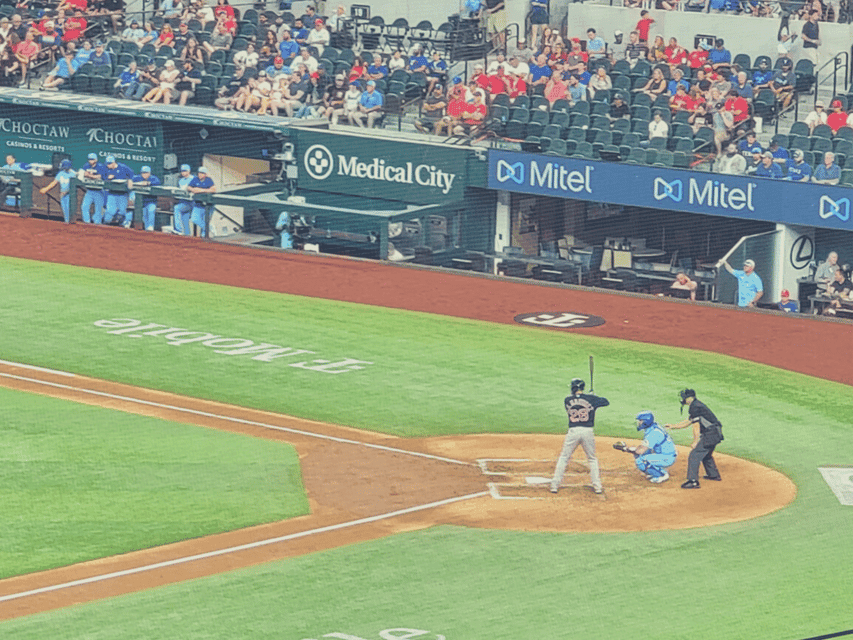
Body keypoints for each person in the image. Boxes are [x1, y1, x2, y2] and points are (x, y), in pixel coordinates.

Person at [550, 378, 608, 495]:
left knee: (564, 457)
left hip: (573, 431)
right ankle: (597, 487)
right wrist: (594, 397)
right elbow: (606, 402)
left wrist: (590, 398)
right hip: (587, 431)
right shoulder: (591, 399)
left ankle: (554, 486)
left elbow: (579, 402)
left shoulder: (567, 400)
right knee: (592, 459)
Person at [665, 389, 723, 489]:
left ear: (690, 398)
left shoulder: (695, 407)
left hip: (711, 433)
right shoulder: (696, 405)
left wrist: (695, 441)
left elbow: (696, 426)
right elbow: (689, 421)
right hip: (715, 432)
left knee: (694, 455)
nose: (683, 399)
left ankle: (693, 481)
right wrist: (673, 426)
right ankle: (713, 475)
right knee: (706, 454)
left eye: (684, 397)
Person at [625, 412, 677, 484]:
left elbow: (641, 450)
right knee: (641, 455)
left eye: (641, 420)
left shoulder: (653, 433)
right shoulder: (653, 427)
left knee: (641, 461)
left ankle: (661, 474)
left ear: (646, 421)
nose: (639, 423)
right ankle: (654, 470)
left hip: (667, 457)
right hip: (665, 454)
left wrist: (626, 449)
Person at [102, 156, 136, 227]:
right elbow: (103, 177)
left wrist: (130, 180)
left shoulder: (123, 167)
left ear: (114, 162)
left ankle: (121, 230)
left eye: (110, 163)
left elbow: (132, 175)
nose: (108, 165)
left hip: (122, 194)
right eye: (107, 164)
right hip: (112, 193)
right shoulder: (106, 169)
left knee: (122, 212)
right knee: (109, 212)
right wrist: (107, 178)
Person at [39, 159, 76, 223]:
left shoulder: (73, 174)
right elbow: (54, 182)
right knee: (65, 211)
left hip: (70, 196)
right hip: (62, 195)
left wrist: (66, 191)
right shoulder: (61, 173)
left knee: (70, 211)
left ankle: (71, 223)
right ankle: (67, 223)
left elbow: (73, 186)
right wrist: (45, 189)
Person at [128, 165, 161, 231]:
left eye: (146, 173)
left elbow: (158, 183)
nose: (144, 174)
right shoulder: (138, 178)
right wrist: (130, 181)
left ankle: (151, 226)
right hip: (141, 202)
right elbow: (131, 179)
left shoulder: (154, 179)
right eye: (143, 173)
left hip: (151, 201)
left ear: (149, 173)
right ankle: (147, 231)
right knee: (144, 217)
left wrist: (148, 183)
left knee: (151, 211)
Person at [187, 166, 216, 237]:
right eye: (199, 173)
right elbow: (189, 187)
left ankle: (204, 236)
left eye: (202, 173)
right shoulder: (195, 179)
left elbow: (214, 189)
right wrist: (193, 190)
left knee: (205, 220)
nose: (200, 174)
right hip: (198, 204)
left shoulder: (208, 180)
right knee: (194, 219)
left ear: (205, 174)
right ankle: (209, 227)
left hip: (208, 205)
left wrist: (201, 190)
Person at [78, 152, 107, 224]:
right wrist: (92, 176)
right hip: (90, 190)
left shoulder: (101, 166)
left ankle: (97, 224)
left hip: (99, 191)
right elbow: (82, 174)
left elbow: (99, 176)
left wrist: (90, 176)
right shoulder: (86, 166)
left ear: (96, 160)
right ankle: (86, 222)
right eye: (89, 159)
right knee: (84, 206)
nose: (90, 161)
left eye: (92, 159)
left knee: (98, 209)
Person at [172, 164, 194, 235]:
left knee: (177, 208)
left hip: (192, 202)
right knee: (185, 220)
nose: (183, 172)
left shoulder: (193, 179)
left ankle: (178, 230)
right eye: (182, 171)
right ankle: (187, 238)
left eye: (185, 171)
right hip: (183, 201)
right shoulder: (181, 180)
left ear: (189, 171)